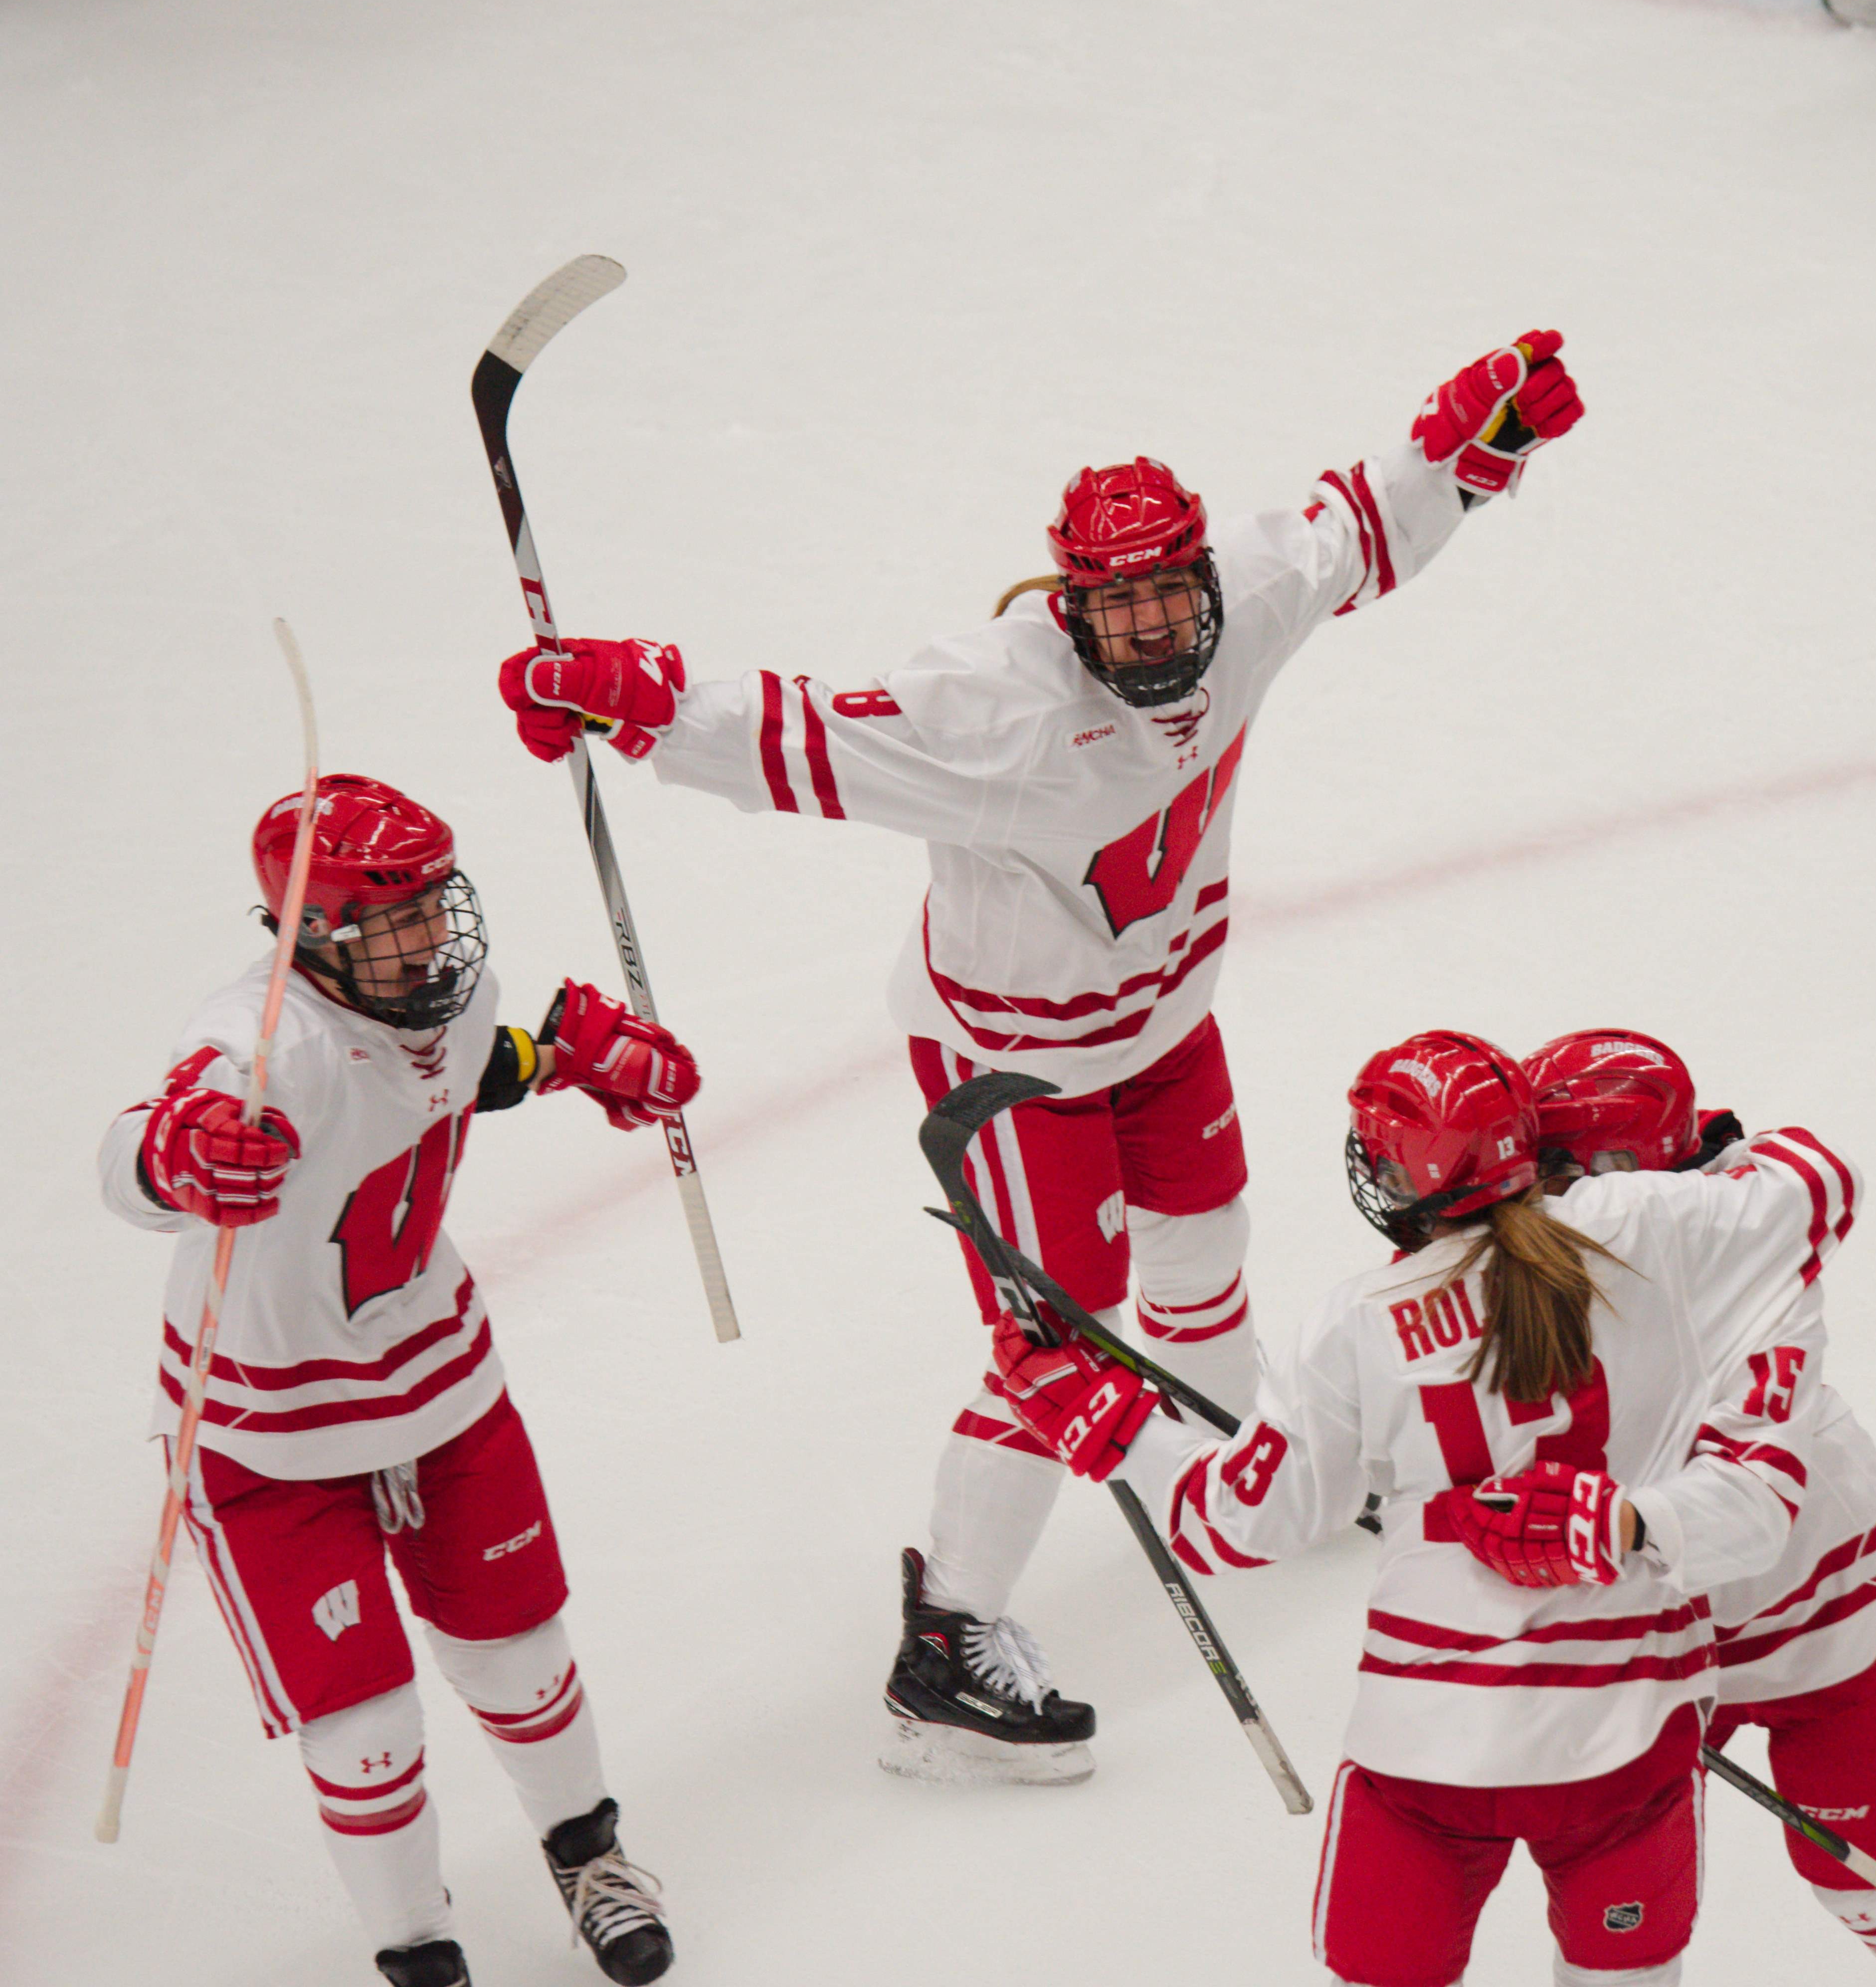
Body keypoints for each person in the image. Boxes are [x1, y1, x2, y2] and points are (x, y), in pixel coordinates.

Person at [493, 335, 1585, 1785]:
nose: (1149, 626)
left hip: (1165, 1019)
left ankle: (1244, 1470)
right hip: (1013, 1063)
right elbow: (798, 736)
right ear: (1070, 608)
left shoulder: (1242, 600)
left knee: (1207, 1259)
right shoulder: (992, 708)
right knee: (1057, 1355)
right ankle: (946, 1636)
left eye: (1165, 592)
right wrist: (640, 703)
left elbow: (1358, 531)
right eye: (1115, 603)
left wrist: (1469, 448)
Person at [986, 1030, 1845, 1987]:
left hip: (1429, 1747)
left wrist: (1116, 1421)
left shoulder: (1357, 1320)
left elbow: (1239, 1523)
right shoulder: (1645, 1229)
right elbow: (1822, 1184)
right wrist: (1705, 1165)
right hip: (1627, 1736)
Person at [99, 776, 699, 1987]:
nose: (434, 935)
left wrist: (576, 1054)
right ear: (315, 933)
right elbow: (132, 1159)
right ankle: (419, 1950)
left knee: (521, 1648)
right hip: (267, 1428)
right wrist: (179, 1151)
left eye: (436, 904)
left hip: (438, 1376)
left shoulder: (449, 990)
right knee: (364, 1729)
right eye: (397, 918)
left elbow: (460, 1066)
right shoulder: (258, 1042)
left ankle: (591, 1855)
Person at [1523, 1030, 1876, 1987]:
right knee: (1618, 1922)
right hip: (1656, 1641)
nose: (1530, 1195)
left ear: (1624, 1170)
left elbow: (1731, 1510)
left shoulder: (1735, 1252)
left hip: (1831, 1626)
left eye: (1553, 1169)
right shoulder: (1618, 1241)